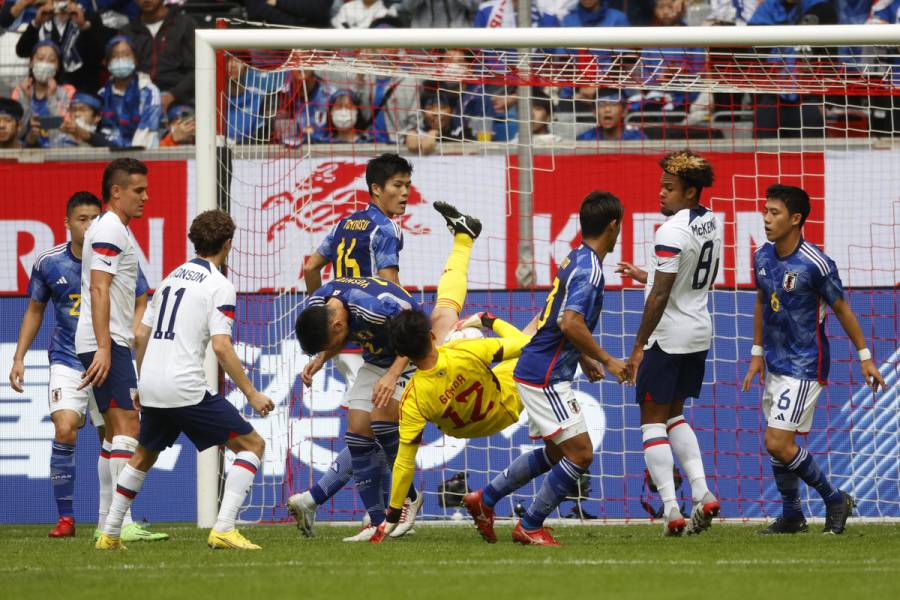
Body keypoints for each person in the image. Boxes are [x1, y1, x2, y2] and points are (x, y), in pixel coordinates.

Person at [294, 201, 482, 542]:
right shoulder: (321, 305)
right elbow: (316, 282)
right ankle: (379, 521)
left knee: (443, 314)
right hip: (380, 355)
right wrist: (321, 357)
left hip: (413, 349)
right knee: (358, 430)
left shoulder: (379, 307)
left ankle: (407, 500)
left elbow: (417, 328)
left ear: (338, 323)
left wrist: (394, 374)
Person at [96, 210, 276, 551]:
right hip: (185, 387)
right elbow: (222, 346)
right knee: (252, 446)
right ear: (228, 244)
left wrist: (140, 381)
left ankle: (110, 532)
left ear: (195, 241)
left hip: (151, 383)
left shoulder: (169, 278)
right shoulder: (219, 285)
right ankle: (224, 528)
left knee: (143, 456)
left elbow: (140, 334)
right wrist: (251, 394)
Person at [466, 192, 628, 546]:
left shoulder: (576, 258)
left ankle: (486, 499)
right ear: (613, 225)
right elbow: (570, 323)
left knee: (558, 452)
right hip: (546, 375)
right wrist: (607, 359)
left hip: (540, 366)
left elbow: (556, 318)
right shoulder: (591, 270)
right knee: (581, 453)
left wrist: (583, 357)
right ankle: (531, 524)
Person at [742, 184, 886, 535]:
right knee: (779, 444)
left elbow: (842, 310)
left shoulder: (816, 263)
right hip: (775, 363)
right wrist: (756, 354)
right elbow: (763, 302)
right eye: (765, 211)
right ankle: (792, 515)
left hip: (806, 364)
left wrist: (865, 358)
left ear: (796, 218)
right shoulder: (762, 256)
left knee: (777, 441)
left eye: (774, 212)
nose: (765, 218)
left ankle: (834, 498)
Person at [7, 192, 148, 538]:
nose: (88, 225)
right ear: (67, 223)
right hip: (68, 359)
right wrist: (19, 357)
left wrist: (132, 332)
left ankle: (115, 521)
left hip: (106, 355)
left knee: (114, 435)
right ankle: (67, 517)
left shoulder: (112, 249)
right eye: (81, 219)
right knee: (65, 427)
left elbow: (142, 295)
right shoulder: (48, 263)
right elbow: (35, 311)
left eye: (93, 218)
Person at [287, 153, 414, 537]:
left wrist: (328, 313)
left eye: (408, 185)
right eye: (397, 186)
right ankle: (401, 505)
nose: (405, 194)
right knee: (372, 430)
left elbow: (311, 268)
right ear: (376, 189)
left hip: (345, 332)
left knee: (365, 432)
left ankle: (321, 499)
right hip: (374, 331)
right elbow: (390, 290)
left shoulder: (344, 222)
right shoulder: (386, 228)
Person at [617, 150, 721, 536]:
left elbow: (660, 296)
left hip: (668, 335)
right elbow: (686, 278)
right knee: (675, 414)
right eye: (661, 185)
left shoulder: (670, 231)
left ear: (690, 192)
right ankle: (703, 492)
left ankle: (671, 509)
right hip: (698, 330)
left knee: (650, 422)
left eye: (670, 187)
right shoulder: (710, 221)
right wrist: (644, 274)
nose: (661, 193)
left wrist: (639, 346)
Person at [372, 309, 540, 543]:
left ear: (401, 353)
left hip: (465, 429)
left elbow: (404, 462)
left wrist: (392, 514)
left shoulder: (412, 398)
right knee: (540, 329)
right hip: (507, 403)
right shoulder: (464, 350)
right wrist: (489, 321)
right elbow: (527, 345)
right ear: (431, 336)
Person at [75, 158, 169, 543]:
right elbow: (99, 288)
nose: (146, 197)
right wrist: (104, 346)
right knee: (130, 425)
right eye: (138, 190)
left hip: (104, 338)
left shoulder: (110, 228)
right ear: (116, 192)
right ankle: (121, 522)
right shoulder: (111, 228)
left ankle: (105, 521)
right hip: (104, 340)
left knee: (116, 432)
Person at [15, 0, 113, 92]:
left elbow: (100, 55)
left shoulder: (90, 17)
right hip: (45, 90)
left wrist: (83, 26)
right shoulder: (42, 16)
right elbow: (22, 51)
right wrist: (36, 23)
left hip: (81, 94)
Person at [120, 0, 195, 112]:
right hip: (137, 99)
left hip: (180, 99)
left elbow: (197, 69)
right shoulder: (126, 32)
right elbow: (122, 73)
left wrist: (172, 95)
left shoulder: (185, 24)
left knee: (184, 124)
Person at [97, 35, 161, 148]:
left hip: (143, 155)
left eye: (126, 55)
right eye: (115, 56)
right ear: (106, 62)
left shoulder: (149, 92)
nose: (121, 59)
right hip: (108, 155)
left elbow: (146, 132)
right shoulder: (102, 95)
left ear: (135, 59)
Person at [12, 40, 75, 148]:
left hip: (58, 153)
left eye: (52, 60)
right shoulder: (19, 91)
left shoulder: (67, 91)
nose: (45, 64)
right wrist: (26, 100)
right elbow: (16, 133)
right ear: (31, 62)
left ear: (58, 66)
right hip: (27, 153)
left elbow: (67, 129)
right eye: (40, 59)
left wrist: (52, 97)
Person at [405, 90, 472, 154]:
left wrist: (436, 135)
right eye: (430, 108)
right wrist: (408, 136)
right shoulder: (416, 133)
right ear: (423, 113)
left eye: (442, 107)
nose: (436, 113)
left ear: (452, 111)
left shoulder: (462, 131)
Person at [577, 89, 646, 141]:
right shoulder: (585, 139)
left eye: (613, 104)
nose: (607, 109)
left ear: (624, 111)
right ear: (594, 112)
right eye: (601, 104)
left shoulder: (637, 138)